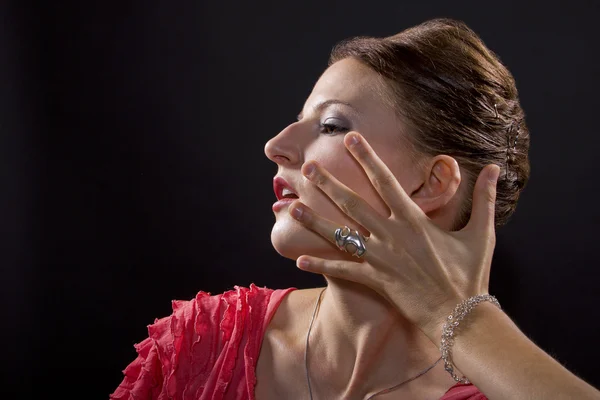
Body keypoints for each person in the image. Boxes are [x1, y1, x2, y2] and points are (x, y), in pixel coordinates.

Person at [110, 18, 600, 399]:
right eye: (297, 120)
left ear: (432, 183)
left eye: (330, 125)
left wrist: (455, 315)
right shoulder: (201, 346)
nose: (275, 146)